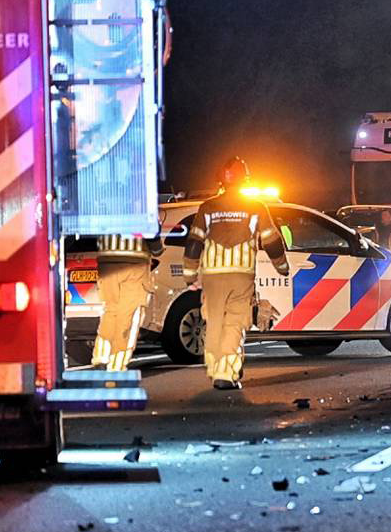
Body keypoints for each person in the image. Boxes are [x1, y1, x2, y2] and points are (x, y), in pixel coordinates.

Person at [182, 156, 289, 390]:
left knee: (215, 321)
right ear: (245, 180)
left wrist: (189, 274)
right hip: (241, 276)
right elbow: (272, 240)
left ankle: (216, 366)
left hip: (212, 276)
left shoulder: (208, 207)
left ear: (221, 179)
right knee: (234, 324)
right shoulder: (256, 207)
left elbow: (194, 242)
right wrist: (282, 266)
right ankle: (225, 373)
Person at [90, 224, 164, 371]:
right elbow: (153, 234)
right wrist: (156, 248)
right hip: (134, 263)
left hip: (107, 263)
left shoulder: (103, 202)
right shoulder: (142, 202)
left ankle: (101, 356)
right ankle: (117, 363)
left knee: (111, 311)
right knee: (131, 313)